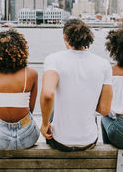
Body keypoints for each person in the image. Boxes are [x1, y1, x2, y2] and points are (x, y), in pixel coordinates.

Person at [40, 19, 113, 151]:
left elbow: (47, 94)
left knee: (54, 109)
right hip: (89, 141)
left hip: (59, 141)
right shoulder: (103, 64)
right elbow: (104, 110)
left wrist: (45, 124)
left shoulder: (53, 59)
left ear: (65, 37)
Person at [0, 29, 39, 150]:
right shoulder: (31, 74)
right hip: (28, 137)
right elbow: (30, 109)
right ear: (21, 50)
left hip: (1, 140)